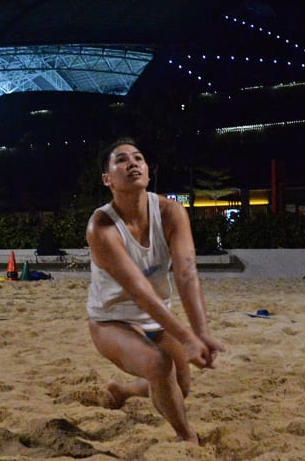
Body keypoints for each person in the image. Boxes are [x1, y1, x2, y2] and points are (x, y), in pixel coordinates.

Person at [85, 137, 225, 445]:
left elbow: (187, 274)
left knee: (180, 386)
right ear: (107, 179)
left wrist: (201, 332)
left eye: (138, 158)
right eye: (121, 159)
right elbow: (139, 290)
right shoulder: (101, 226)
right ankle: (187, 438)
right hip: (111, 321)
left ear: (148, 171)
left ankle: (122, 390)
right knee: (160, 364)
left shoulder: (171, 212)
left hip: (156, 319)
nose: (132, 163)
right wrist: (186, 337)